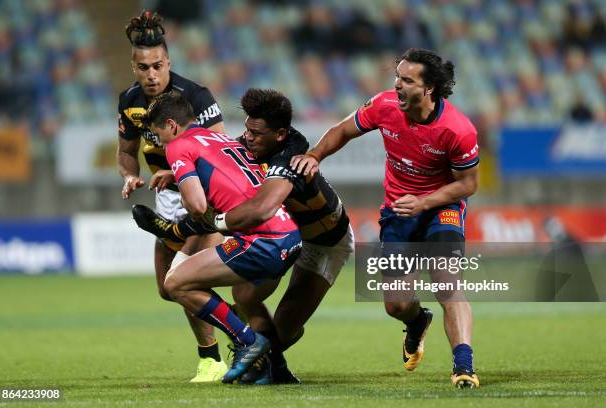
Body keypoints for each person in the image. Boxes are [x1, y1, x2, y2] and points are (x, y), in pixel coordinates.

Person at [132, 88, 354, 383]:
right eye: (247, 128)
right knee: (245, 296)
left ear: (279, 134)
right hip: (290, 234)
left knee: (176, 283)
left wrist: (197, 199)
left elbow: (257, 209)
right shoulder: (226, 139)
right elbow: (221, 165)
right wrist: (180, 177)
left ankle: (247, 341)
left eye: (255, 132)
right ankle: (276, 368)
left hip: (325, 240)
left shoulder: (290, 157)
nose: (248, 137)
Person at [291, 48, 480, 388]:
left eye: (408, 80)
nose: (398, 85)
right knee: (396, 305)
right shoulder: (384, 106)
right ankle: (418, 320)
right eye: (398, 77)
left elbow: (469, 184)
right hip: (398, 212)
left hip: (442, 208)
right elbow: (342, 130)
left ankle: (463, 366)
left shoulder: (458, 129)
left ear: (429, 88)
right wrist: (315, 155)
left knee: (447, 284)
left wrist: (424, 202)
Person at [116, 10, 227, 382]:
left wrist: (180, 170)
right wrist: (130, 175)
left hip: (205, 201)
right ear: (133, 65)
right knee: (169, 289)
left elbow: (221, 150)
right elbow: (126, 151)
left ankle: (217, 356)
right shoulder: (129, 102)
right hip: (167, 203)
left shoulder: (196, 96)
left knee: (186, 281)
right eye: (143, 67)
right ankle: (243, 331)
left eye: (157, 65)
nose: (151, 74)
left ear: (169, 63)